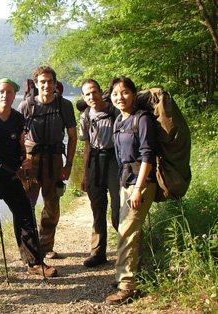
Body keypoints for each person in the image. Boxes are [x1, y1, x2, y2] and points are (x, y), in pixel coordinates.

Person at [0, 78, 57, 277]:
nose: (5, 95)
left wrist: (25, 162)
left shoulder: (18, 119)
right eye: (1, 91)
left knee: (26, 213)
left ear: (14, 95)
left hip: (11, 174)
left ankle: (33, 261)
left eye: (9, 92)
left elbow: (21, 145)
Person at [105, 77, 157, 305]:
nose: (120, 97)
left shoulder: (142, 119)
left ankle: (127, 287)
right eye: (115, 93)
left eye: (124, 92)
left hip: (141, 182)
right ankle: (127, 275)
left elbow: (147, 155)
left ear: (133, 94)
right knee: (127, 229)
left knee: (126, 231)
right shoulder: (119, 120)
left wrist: (138, 189)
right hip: (126, 181)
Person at [18, 66, 77, 259]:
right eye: (42, 81)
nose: (46, 85)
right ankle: (28, 248)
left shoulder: (64, 105)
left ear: (55, 83)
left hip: (54, 160)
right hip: (30, 160)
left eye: (50, 81)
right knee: (27, 205)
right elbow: (18, 138)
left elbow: (72, 137)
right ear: (36, 83)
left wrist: (68, 165)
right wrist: (19, 162)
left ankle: (45, 246)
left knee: (52, 204)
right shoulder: (26, 106)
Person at [79, 79, 120, 267]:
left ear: (100, 92)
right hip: (94, 161)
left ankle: (127, 252)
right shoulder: (86, 115)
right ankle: (98, 253)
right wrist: (85, 174)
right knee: (97, 208)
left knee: (118, 209)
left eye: (94, 92)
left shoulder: (114, 110)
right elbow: (87, 146)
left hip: (114, 160)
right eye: (87, 94)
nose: (91, 96)